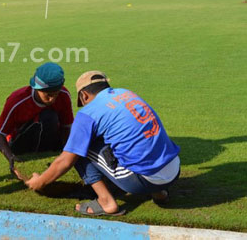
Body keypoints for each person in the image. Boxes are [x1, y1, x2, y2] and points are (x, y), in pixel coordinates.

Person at [26, 71, 180, 216]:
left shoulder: (88, 113)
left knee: (80, 149)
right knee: (140, 139)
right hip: (173, 168)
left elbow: (66, 160)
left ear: (84, 95)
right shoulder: (126, 93)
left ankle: (106, 202)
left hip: (143, 180)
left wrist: (39, 182)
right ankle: (159, 193)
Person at [0, 63, 74, 176]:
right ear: (36, 88)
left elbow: (67, 127)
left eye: (56, 94)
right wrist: (11, 157)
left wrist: (67, 154)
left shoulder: (64, 95)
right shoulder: (17, 101)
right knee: (48, 117)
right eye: (48, 95)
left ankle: (49, 152)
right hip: (20, 143)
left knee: (50, 118)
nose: (52, 99)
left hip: (50, 139)